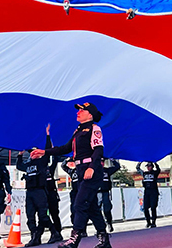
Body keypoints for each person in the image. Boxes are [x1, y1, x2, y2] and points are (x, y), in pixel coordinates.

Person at [30, 102, 111, 248]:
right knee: (91, 207)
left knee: (79, 204)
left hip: (90, 169)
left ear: (90, 114)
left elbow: (98, 150)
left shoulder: (94, 128)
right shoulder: (78, 131)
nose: (78, 113)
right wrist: (44, 152)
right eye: (78, 110)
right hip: (80, 169)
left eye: (82, 110)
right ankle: (104, 240)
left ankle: (74, 239)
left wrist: (92, 167)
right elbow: (66, 148)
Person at [17, 142, 55, 247]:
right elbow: (19, 166)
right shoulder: (28, 164)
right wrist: (20, 154)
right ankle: (34, 237)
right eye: (31, 153)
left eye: (34, 152)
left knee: (43, 216)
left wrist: (47, 136)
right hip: (29, 192)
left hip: (40, 191)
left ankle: (54, 232)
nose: (32, 154)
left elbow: (48, 152)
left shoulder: (42, 162)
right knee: (30, 216)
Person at [44, 129, 65, 243]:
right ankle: (49, 232)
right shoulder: (39, 168)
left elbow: (55, 159)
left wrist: (52, 146)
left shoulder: (50, 169)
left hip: (52, 194)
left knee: (54, 213)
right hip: (42, 194)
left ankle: (58, 232)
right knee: (42, 214)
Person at [98, 159, 121, 232]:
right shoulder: (94, 170)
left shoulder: (107, 170)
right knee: (96, 211)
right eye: (100, 161)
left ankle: (109, 223)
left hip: (105, 192)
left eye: (102, 162)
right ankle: (100, 227)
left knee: (107, 209)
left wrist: (112, 160)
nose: (101, 163)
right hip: (96, 192)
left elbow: (117, 167)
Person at [138, 161, 162, 228]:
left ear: (152, 167)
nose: (148, 168)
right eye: (147, 166)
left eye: (150, 166)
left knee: (153, 207)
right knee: (145, 208)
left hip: (153, 192)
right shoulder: (144, 173)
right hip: (147, 192)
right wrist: (140, 162)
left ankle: (153, 222)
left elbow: (159, 170)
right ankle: (148, 222)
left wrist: (155, 162)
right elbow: (138, 169)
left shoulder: (155, 173)